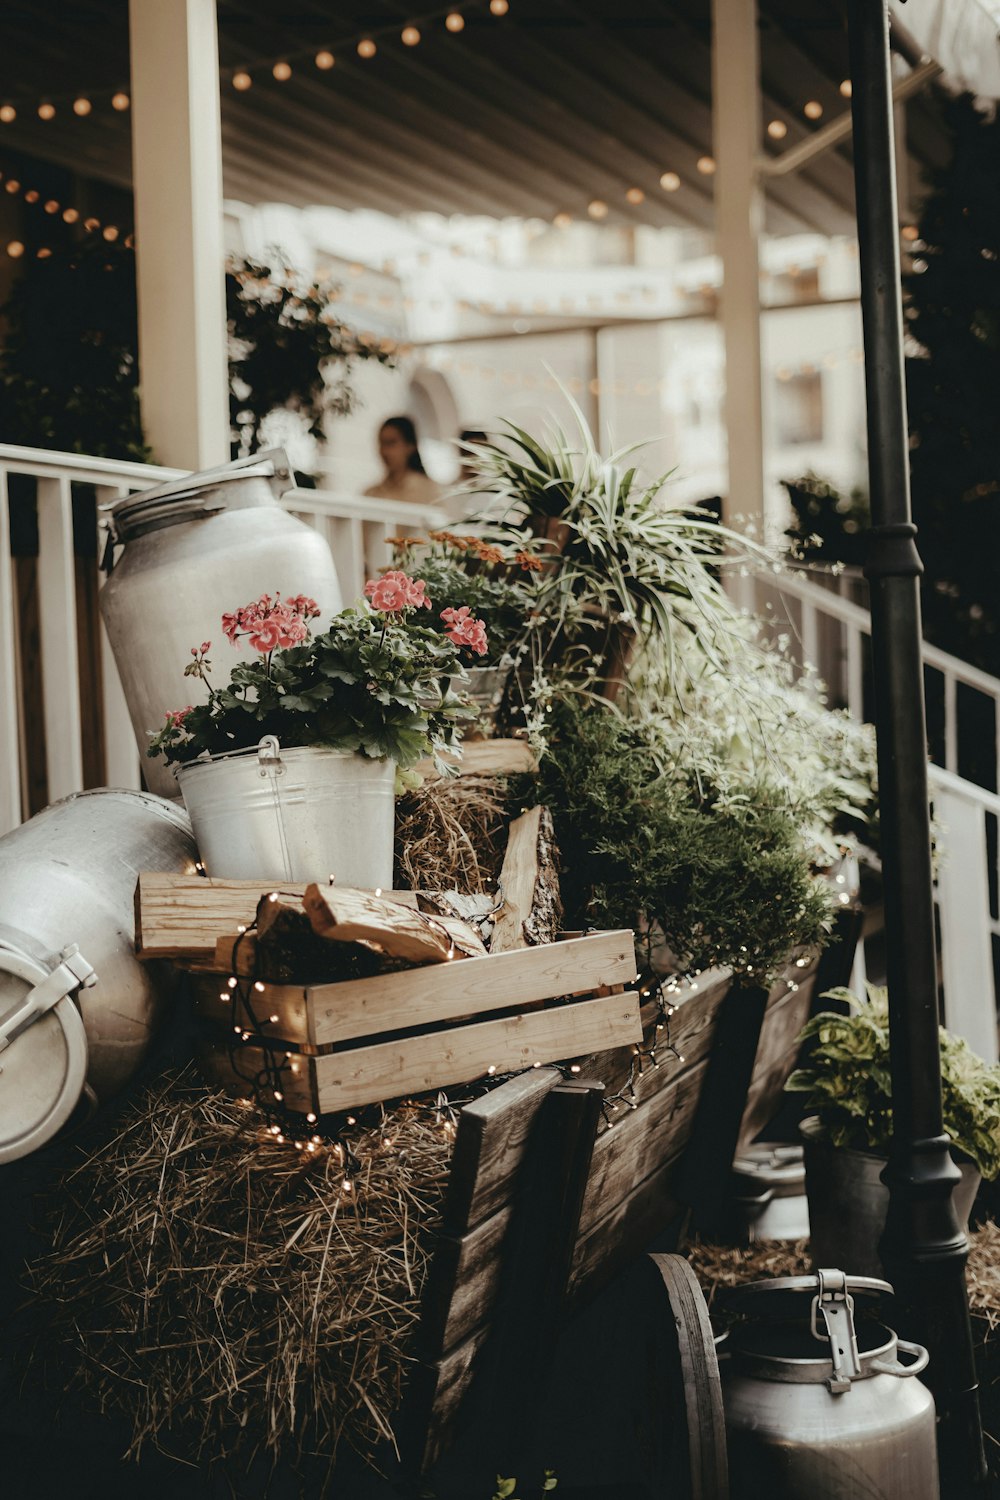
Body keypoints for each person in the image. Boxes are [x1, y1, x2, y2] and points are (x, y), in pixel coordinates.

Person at [363, 415, 442, 504]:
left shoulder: (430, 492)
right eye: (382, 443)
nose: (385, 451)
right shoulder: (371, 494)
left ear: (410, 446)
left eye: (391, 443)